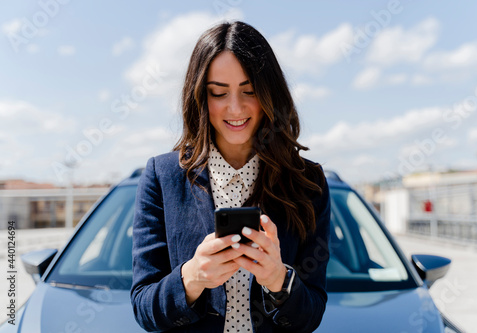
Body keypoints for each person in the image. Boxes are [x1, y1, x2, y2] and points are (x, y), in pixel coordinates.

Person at [131, 21, 331, 333]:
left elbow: (311, 314)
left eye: (249, 90)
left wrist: (279, 280)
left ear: (269, 93)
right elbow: (144, 309)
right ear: (200, 96)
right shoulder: (162, 176)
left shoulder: (309, 182)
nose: (235, 108)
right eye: (218, 92)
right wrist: (192, 278)